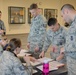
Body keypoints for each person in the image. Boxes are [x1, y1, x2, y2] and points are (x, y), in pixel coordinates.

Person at [61, 4, 76, 75]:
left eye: (62, 16)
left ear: (66, 11)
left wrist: (65, 48)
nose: (63, 19)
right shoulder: (73, 24)